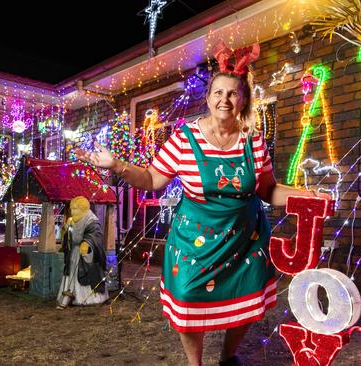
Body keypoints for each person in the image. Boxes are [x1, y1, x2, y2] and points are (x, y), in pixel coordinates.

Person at [75, 42, 330, 366]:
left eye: (233, 93)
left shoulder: (254, 140)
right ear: (208, 98)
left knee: (246, 300)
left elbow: (268, 190)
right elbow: (153, 179)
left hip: (246, 239)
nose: (225, 99)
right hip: (195, 241)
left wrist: (308, 196)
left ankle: (229, 357)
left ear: (243, 100)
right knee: (188, 297)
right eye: (218, 93)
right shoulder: (184, 138)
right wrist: (116, 165)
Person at [56, 196, 109, 309]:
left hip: (86, 255)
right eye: (72, 208)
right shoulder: (72, 220)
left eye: (75, 209)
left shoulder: (91, 221)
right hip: (74, 253)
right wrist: (66, 232)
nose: (72, 211)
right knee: (71, 274)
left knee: (86, 273)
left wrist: (87, 243)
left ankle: (87, 298)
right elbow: (68, 236)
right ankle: (69, 295)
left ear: (83, 209)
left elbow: (95, 235)